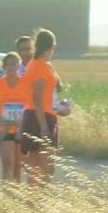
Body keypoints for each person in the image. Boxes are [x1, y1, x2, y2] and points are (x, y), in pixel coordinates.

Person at [19, 29, 64, 185]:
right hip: (40, 115)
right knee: (46, 165)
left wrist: (60, 107)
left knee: (36, 162)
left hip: (41, 113)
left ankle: (34, 200)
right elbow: (37, 97)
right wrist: (44, 125)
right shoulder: (39, 66)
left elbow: (53, 91)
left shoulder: (43, 65)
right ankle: (39, 201)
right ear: (53, 46)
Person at [0, 52, 30, 182]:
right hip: (5, 128)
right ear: (3, 67)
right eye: (8, 64)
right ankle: (7, 193)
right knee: (8, 163)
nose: (11, 67)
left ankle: (15, 197)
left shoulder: (26, 83)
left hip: (22, 128)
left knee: (18, 165)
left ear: (19, 66)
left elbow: (32, 106)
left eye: (14, 64)